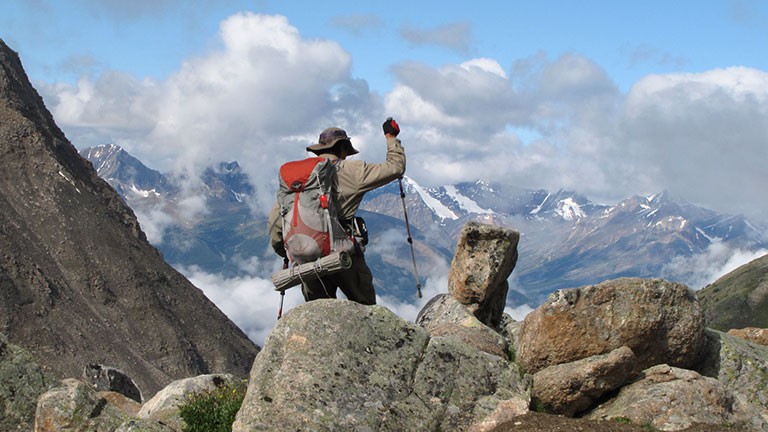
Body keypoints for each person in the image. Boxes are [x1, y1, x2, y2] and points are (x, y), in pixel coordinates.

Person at [268, 118, 406, 305]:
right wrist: (391, 137)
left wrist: (289, 253)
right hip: (344, 255)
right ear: (342, 148)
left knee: (318, 312)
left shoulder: (297, 182)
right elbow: (395, 168)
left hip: (307, 255)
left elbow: (277, 221)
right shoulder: (352, 170)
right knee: (365, 307)